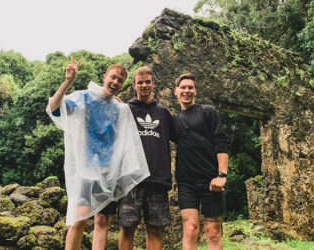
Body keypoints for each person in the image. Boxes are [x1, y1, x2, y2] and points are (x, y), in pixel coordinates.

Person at [46, 57, 150, 250]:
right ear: (105, 77)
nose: (115, 82)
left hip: (108, 174)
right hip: (86, 170)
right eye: (113, 77)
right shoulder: (85, 97)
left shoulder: (119, 109)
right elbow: (53, 108)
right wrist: (68, 81)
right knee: (79, 220)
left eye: (120, 80)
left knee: (102, 221)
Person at [118, 66, 175, 250]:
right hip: (131, 179)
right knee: (127, 228)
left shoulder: (164, 113)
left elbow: (180, 137)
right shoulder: (125, 110)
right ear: (134, 85)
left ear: (153, 84)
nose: (144, 85)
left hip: (157, 179)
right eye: (140, 82)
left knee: (155, 229)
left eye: (147, 82)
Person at [173, 72, 229, 250]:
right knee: (190, 230)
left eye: (190, 88)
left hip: (211, 181)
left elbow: (221, 142)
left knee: (212, 231)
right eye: (183, 88)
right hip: (186, 183)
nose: (186, 91)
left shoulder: (208, 112)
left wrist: (222, 175)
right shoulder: (174, 121)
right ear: (176, 91)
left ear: (195, 91)